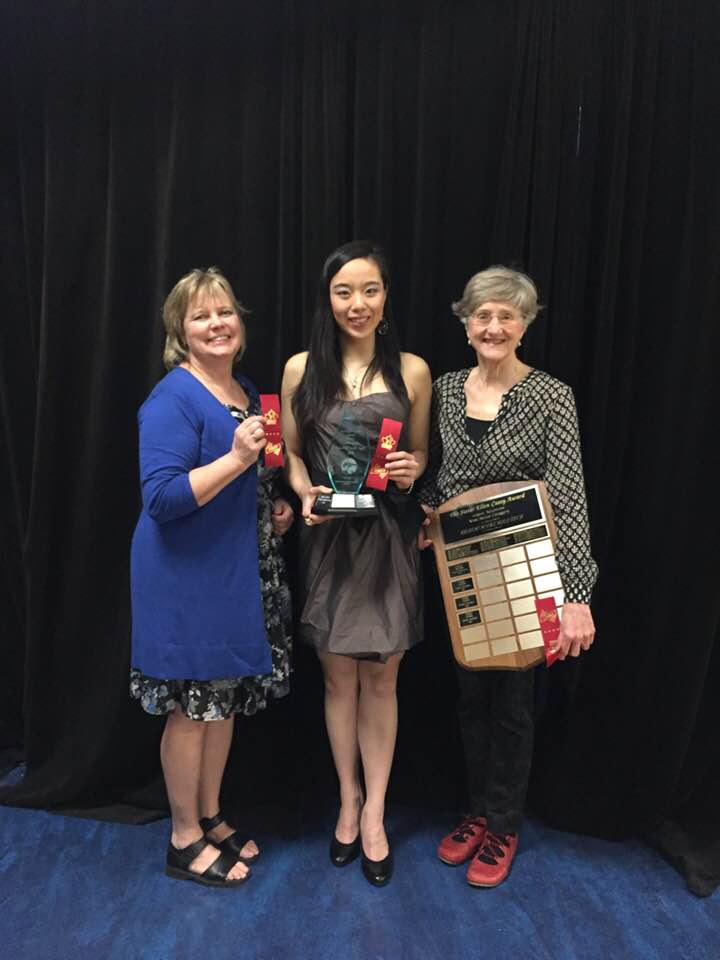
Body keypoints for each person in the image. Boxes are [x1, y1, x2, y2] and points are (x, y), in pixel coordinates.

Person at [417, 265, 597, 888]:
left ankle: (504, 824)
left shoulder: (552, 395)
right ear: (465, 324)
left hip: (530, 572)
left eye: (507, 315)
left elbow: (569, 496)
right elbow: (441, 478)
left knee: (515, 707)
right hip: (463, 570)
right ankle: (474, 809)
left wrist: (577, 596)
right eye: (482, 315)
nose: (494, 326)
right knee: (469, 698)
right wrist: (426, 511)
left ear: (525, 324)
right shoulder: (442, 390)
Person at [129, 267, 293, 887]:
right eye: (201, 316)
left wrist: (270, 504)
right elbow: (163, 498)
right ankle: (181, 838)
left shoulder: (248, 391)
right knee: (192, 711)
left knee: (221, 707)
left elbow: (250, 476)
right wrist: (237, 458)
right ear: (181, 331)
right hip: (186, 579)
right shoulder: (171, 399)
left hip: (238, 574)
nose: (217, 323)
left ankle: (209, 815)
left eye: (225, 311)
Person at [281, 240, 431, 886]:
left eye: (369, 290)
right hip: (326, 542)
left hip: (389, 541)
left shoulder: (415, 372)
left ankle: (376, 814)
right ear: (328, 298)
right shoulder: (298, 370)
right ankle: (346, 798)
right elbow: (289, 456)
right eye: (344, 292)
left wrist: (410, 469)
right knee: (338, 681)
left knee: (384, 683)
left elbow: (420, 456)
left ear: (385, 296)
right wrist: (301, 489)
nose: (357, 304)